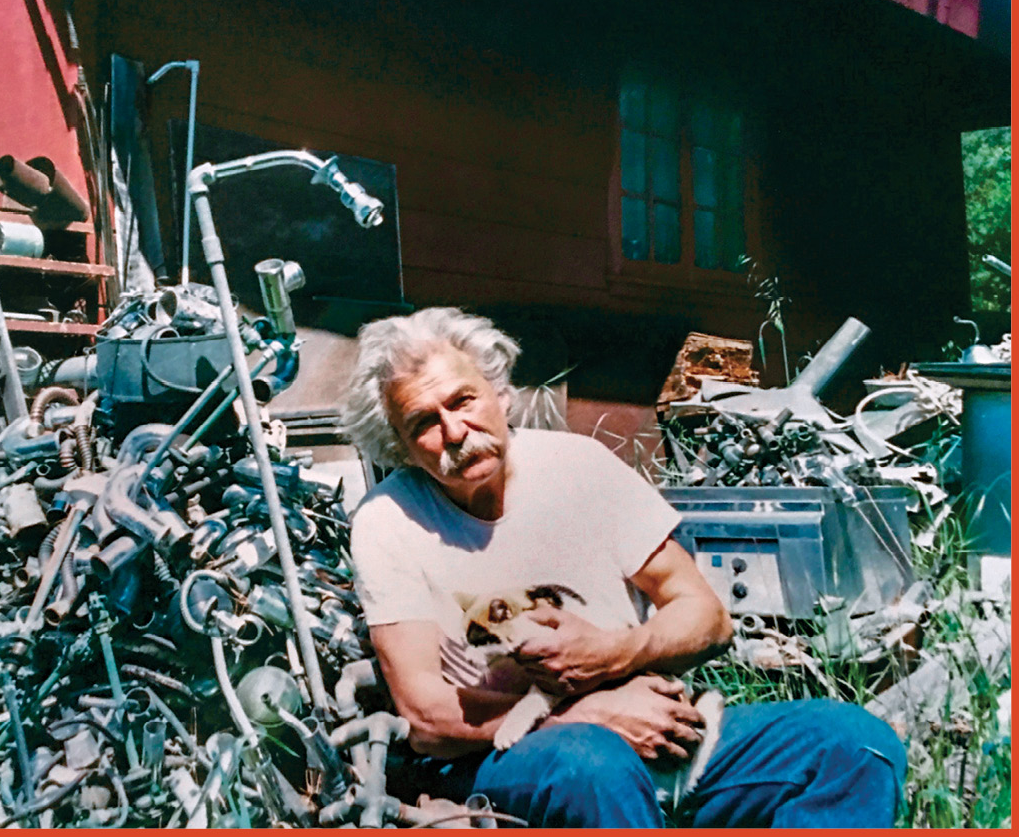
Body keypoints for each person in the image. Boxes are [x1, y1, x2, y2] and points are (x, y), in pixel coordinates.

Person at [339, 307, 906, 828]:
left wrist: (615, 656)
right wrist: (584, 715)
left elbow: (705, 616)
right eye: (423, 423)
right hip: (516, 754)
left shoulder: (579, 466)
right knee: (592, 765)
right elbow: (426, 715)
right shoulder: (389, 522)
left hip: (662, 727)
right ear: (401, 446)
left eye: (463, 401)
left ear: (500, 392)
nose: (455, 433)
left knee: (851, 745)